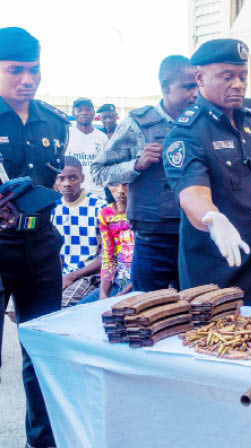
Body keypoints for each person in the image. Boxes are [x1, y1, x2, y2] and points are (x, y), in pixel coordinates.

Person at [162, 38, 251, 307]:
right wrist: (211, 218)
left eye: (242, 76)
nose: (238, 84)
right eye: (227, 76)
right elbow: (191, 192)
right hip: (217, 274)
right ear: (200, 77)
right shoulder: (188, 132)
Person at [0, 26, 69, 448]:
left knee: (42, 352)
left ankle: (40, 443)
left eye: (34, 71)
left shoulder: (52, 121)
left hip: (40, 245)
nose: (28, 79)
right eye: (15, 71)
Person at [92, 55, 198, 293]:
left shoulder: (201, 120)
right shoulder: (137, 124)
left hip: (196, 235)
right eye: (188, 86)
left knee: (197, 309)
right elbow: (99, 172)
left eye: (197, 86)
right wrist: (137, 164)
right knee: (147, 311)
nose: (195, 93)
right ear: (165, 87)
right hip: (154, 238)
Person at [52, 156, 106, 307]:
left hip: (87, 275)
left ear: (82, 178)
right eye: (61, 178)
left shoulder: (99, 207)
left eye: (73, 178)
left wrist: (72, 276)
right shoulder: (52, 207)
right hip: (58, 274)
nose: (67, 184)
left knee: (61, 307)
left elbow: (107, 255)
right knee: (18, 308)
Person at [79, 182, 134, 304]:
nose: (120, 191)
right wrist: (103, 294)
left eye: (126, 184)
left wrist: (125, 290)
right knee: (81, 307)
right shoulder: (106, 213)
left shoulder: (141, 211)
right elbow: (108, 256)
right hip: (118, 278)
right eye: (114, 184)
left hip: (137, 279)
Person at [66, 97, 108, 198]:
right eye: (80, 110)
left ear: (93, 113)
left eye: (88, 110)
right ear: (73, 113)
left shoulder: (102, 137)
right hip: (71, 194)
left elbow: (107, 166)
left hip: (97, 194)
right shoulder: (65, 135)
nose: (84, 113)